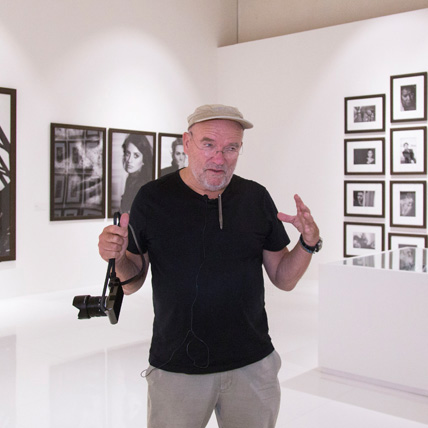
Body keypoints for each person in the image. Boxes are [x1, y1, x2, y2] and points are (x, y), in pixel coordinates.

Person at [98, 104, 321, 428]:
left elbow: (283, 278)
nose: (220, 158)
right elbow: (132, 282)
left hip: (252, 365)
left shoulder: (255, 198)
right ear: (187, 143)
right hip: (176, 367)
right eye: (208, 144)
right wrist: (117, 257)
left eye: (231, 147)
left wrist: (308, 243)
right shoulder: (152, 198)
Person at [120, 134, 153, 213]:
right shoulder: (131, 179)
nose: (129, 160)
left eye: (136, 156)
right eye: (128, 154)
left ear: (144, 160)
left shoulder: (141, 185)